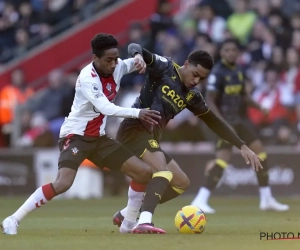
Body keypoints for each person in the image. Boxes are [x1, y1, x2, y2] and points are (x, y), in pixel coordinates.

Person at [1, 33, 166, 235]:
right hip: (75, 135)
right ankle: (13, 219)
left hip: (99, 138)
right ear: (95, 59)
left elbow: (135, 51)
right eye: (109, 60)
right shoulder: (88, 78)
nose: (114, 64)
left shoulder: (118, 66)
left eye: (116, 58)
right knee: (63, 183)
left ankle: (129, 223)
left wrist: (139, 55)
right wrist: (138, 113)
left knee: (143, 172)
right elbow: (105, 107)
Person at [112, 42, 263, 234]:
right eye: (195, 74)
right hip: (133, 129)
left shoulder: (192, 96)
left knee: (181, 182)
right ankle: (144, 222)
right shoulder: (165, 67)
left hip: (150, 138)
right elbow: (135, 46)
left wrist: (242, 145)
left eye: (201, 78)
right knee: (163, 172)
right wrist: (138, 57)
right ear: (186, 63)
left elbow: (214, 121)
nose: (196, 80)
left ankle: (128, 213)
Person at [191, 38, 289, 213]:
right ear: (221, 53)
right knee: (223, 158)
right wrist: (220, 122)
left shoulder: (239, 71)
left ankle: (266, 198)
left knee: (260, 151)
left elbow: (244, 96)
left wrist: (259, 107)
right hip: (223, 122)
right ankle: (200, 199)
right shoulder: (217, 73)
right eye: (227, 50)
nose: (230, 53)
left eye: (233, 50)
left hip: (238, 120)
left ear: (238, 53)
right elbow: (210, 101)